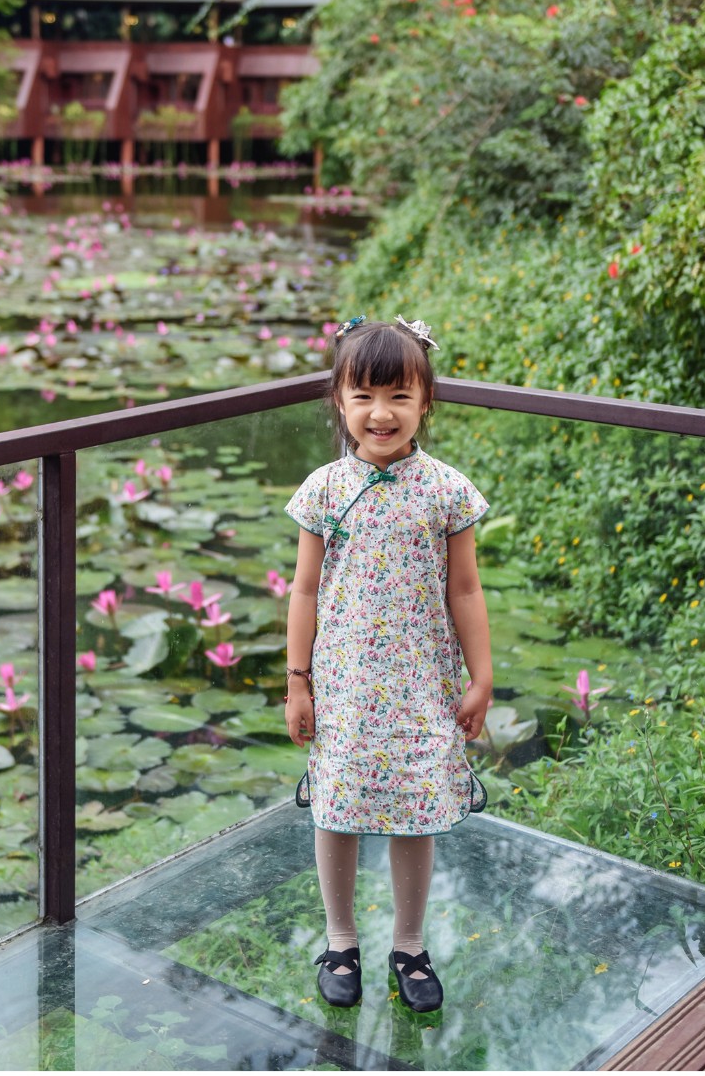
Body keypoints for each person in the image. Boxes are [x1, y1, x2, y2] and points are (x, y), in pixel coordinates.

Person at [281, 314, 493, 1014]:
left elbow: (463, 588)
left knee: (416, 809)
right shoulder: (322, 489)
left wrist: (481, 675)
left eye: (399, 395)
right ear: (339, 401)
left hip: (420, 684)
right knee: (335, 807)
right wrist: (297, 680)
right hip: (343, 685)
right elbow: (305, 589)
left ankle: (409, 943)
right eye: (364, 395)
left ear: (425, 401)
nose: (381, 413)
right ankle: (340, 938)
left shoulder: (447, 490)